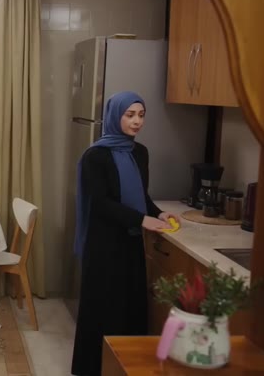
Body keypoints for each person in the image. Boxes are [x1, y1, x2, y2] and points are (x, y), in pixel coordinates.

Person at [70, 91, 180, 376]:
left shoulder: (140, 153)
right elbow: (101, 203)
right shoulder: (96, 156)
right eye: (130, 115)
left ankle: (125, 367)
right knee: (102, 307)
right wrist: (142, 219)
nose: (137, 121)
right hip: (103, 244)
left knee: (129, 305)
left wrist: (157, 213)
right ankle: (92, 369)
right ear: (115, 116)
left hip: (129, 241)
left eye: (141, 115)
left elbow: (141, 195)